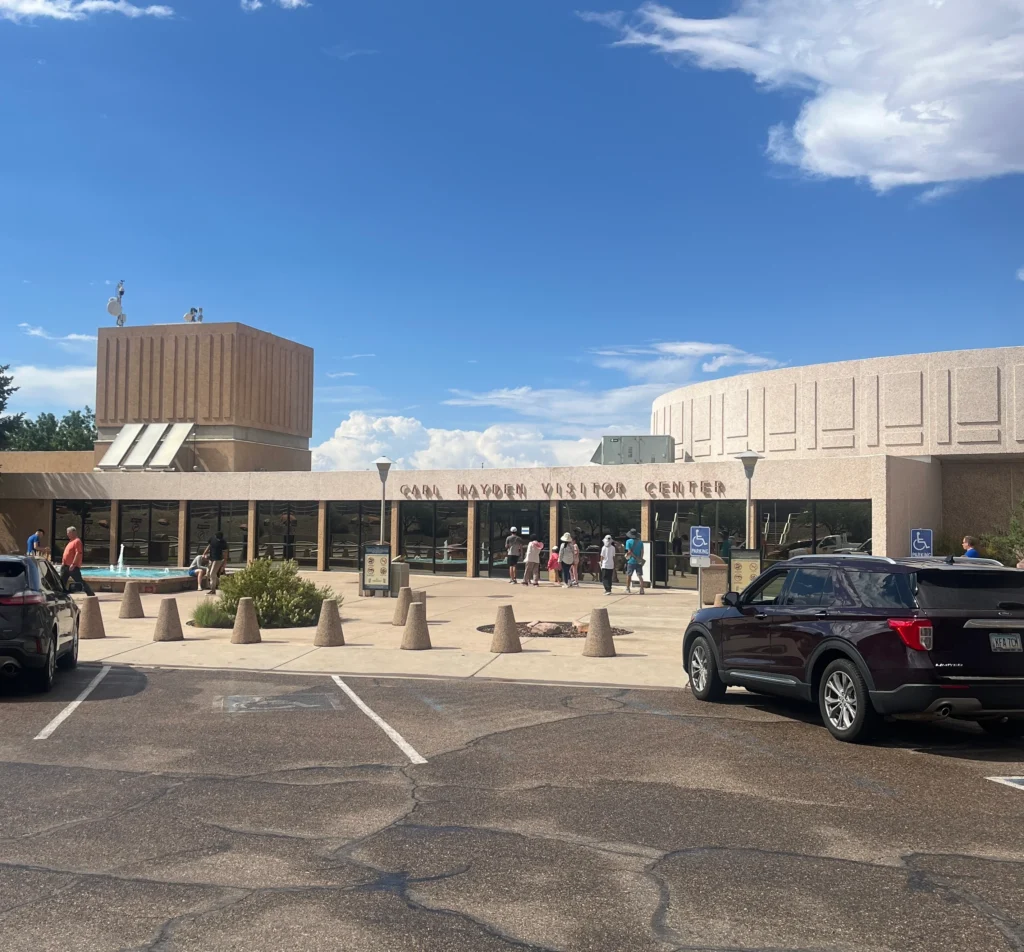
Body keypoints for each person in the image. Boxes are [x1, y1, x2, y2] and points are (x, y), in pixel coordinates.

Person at [60, 526, 94, 596]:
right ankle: (62, 594)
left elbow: (78, 553)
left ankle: (90, 593)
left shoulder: (77, 541)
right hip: (65, 566)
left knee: (79, 581)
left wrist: (73, 564)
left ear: (74, 532)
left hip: (72, 566)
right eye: (67, 532)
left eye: (69, 532)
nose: (67, 534)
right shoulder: (70, 541)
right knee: (61, 581)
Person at [624, 528, 645, 595]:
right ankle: (642, 589)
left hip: (631, 561)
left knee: (629, 575)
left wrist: (634, 557)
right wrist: (640, 558)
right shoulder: (640, 542)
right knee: (640, 575)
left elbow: (629, 551)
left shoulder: (628, 541)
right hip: (638, 561)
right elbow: (642, 552)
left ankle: (628, 588)